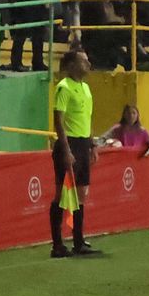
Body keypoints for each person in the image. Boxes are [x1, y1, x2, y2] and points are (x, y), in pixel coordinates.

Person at [50, 49, 98, 258]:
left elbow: (88, 118)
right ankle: (57, 245)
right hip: (69, 143)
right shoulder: (64, 87)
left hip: (83, 143)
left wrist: (92, 144)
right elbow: (58, 120)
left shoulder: (85, 88)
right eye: (83, 61)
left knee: (81, 194)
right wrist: (66, 149)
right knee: (62, 194)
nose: (88, 64)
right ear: (71, 65)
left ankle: (78, 241)